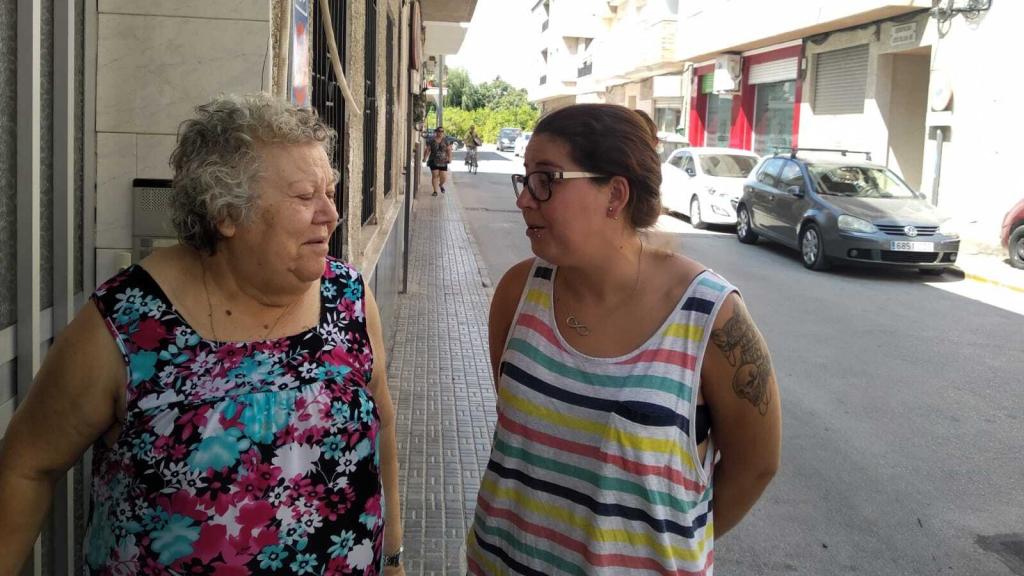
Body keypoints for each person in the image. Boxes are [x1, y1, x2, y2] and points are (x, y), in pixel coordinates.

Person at [0, 94, 406, 576]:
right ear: (226, 214)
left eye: (330, 193)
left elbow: (380, 422)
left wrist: (393, 558)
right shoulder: (128, 322)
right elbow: (28, 465)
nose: (331, 214)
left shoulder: (349, 298)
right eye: (304, 196)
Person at [466, 103, 781, 575]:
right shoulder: (518, 292)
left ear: (614, 195)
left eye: (546, 179)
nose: (524, 199)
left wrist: (669, 540)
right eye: (525, 178)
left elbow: (756, 463)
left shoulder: (710, 316)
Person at [423, 126, 452, 196]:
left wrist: (450, 158)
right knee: (435, 175)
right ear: (436, 132)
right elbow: (427, 150)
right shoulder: (432, 140)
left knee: (443, 177)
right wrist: (425, 158)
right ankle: (435, 191)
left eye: (442, 131)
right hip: (433, 160)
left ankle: (441, 185)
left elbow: (449, 150)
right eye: (439, 131)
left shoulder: (446, 140)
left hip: (443, 161)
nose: (441, 132)